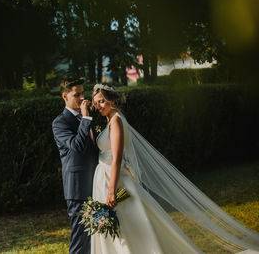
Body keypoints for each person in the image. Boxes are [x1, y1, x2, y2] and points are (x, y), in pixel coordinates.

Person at [90, 83, 259, 254]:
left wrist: (111, 191)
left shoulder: (116, 121)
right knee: (126, 227)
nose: (98, 106)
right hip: (108, 179)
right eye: (96, 103)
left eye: (102, 101)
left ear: (112, 100)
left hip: (116, 183)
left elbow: (117, 159)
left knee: (129, 226)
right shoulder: (111, 120)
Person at [52, 78, 99, 254]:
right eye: (76, 94)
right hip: (77, 188)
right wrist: (86, 118)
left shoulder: (87, 118)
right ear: (65, 96)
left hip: (95, 183)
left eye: (82, 93)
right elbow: (77, 147)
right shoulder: (60, 123)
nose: (81, 98)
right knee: (80, 240)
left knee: (95, 238)